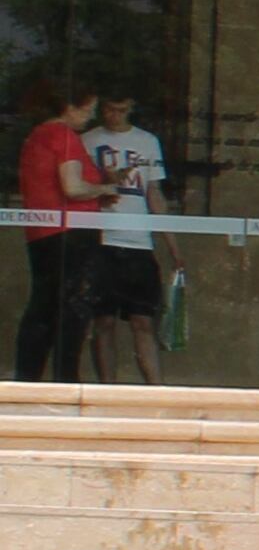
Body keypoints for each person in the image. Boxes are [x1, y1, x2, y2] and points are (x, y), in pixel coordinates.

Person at [79, 91, 165, 383]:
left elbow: (154, 192)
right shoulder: (88, 140)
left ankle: (156, 390)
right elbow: (78, 188)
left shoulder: (147, 141)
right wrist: (104, 184)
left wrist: (171, 243)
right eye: (109, 110)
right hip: (102, 238)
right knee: (103, 320)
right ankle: (107, 389)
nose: (115, 116)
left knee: (143, 320)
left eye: (121, 109)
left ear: (131, 107)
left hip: (138, 240)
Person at [12, 89, 96, 384]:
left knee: (44, 306)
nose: (90, 117)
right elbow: (72, 187)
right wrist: (105, 190)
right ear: (70, 107)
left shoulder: (36, 137)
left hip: (42, 233)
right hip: (69, 230)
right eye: (87, 110)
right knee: (72, 308)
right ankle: (66, 381)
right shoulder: (63, 136)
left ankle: (28, 377)